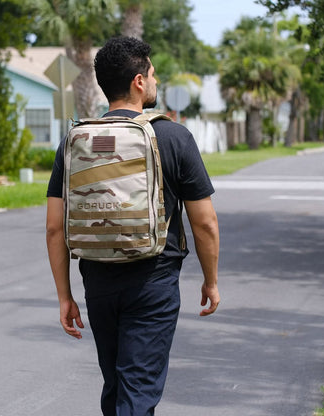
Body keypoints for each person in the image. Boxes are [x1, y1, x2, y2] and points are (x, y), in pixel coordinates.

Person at [46, 36, 220, 416]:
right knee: (138, 389)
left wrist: (65, 296)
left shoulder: (75, 141)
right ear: (139, 82)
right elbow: (204, 223)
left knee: (118, 386)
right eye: (153, 74)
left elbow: (55, 229)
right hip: (152, 281)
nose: (156, 82)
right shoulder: (174, 136)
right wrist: (211, 279)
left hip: (97, 279)